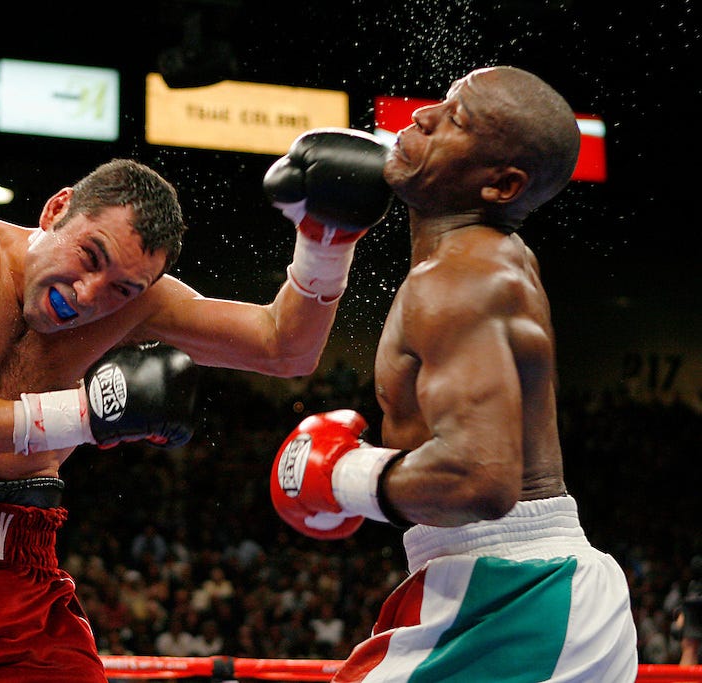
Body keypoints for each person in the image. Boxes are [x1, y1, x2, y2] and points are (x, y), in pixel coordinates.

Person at [0, 146, 393, 682]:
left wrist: (323, 244)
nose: (89, 295)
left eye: (124, 289)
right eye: (90, 256)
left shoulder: (137, 307)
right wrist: (85, 415)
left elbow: (285, 348)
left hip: (11, 574)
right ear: (55, 211)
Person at [269, 66, 638, 681]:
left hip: (513, 592)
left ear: (501, 185)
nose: (421, 116)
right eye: (440, 103)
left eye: (455, 119)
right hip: (524, 586)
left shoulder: (458, 278)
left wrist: (344, 475)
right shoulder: (486, 256)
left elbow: (479, 479)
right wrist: (326, 240)